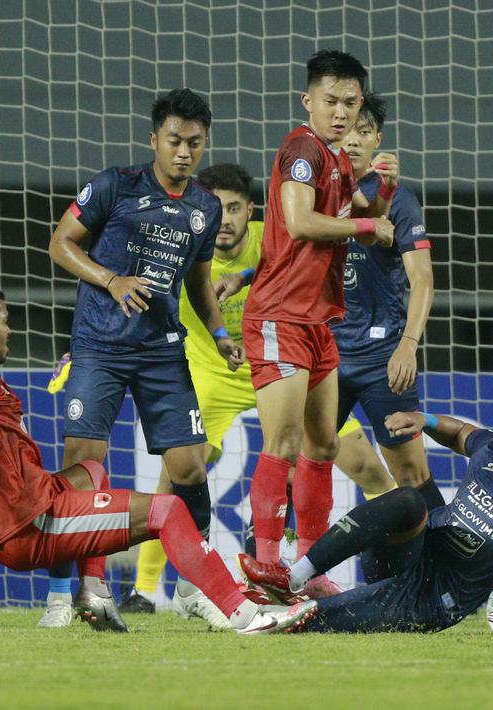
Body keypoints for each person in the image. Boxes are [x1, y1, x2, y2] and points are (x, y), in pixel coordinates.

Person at [0, 283, 313, 635]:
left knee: (91, 471)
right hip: (30, 523)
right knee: (166, 511)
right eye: (5, 320)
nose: (10, 330)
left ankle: (91, 593)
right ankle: (245, 615)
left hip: (29, 507)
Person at [120, 164, 394, 614]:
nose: (224, 219)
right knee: (178, 470)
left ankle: (390, 569)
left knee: (358, 459)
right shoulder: (181, 240)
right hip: (215, 373)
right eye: (216, 209)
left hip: (288, 359)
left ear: (251, 209)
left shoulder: (278, 231)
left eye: (233, 208)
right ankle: (145, 591)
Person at [42, 88, 241, 629]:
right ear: (154, 139)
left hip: (161, 352)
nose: (183, 151)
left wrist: (220, 332)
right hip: (99, 347)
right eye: (174, 140)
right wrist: (111, 279)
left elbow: (199, 282)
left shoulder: (204, 207)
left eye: (194, 143)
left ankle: (195, 586)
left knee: (189, 466)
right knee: (84, 467)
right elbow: (61, 244)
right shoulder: (114, 186)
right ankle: (70, 594)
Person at [239, 381, 493, 635]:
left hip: (433, 598)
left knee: (308, 621)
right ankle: (294, 578)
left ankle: (283, 612)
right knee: (408, 500)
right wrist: (424, 420)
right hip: (409, 553)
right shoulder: (491, 449)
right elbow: (461, 431)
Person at [242, 50, 398, 594]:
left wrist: (384, 189)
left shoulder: (335, 158)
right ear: (308, 100)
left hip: (317, 322)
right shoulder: (302, 149)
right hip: (280, 314)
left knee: (322, 446)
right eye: (330, 101)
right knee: (282, 444)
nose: (340, 112)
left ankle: (307, 568)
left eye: (350, 103)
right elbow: (301, 222)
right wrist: (364, 224)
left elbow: (370, 215)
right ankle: (266, 567)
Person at [333, 92, 443, 506]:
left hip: (383, 358)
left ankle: (447, 567)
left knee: (411, 476)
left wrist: (408, 346)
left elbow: (423, 279)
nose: (354, 141)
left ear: (377, 139)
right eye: (348, 131)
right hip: (324, 355)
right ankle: (283, 561)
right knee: (297, 461)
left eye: (365, 132)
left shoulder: (399, 200)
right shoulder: (315, 193)